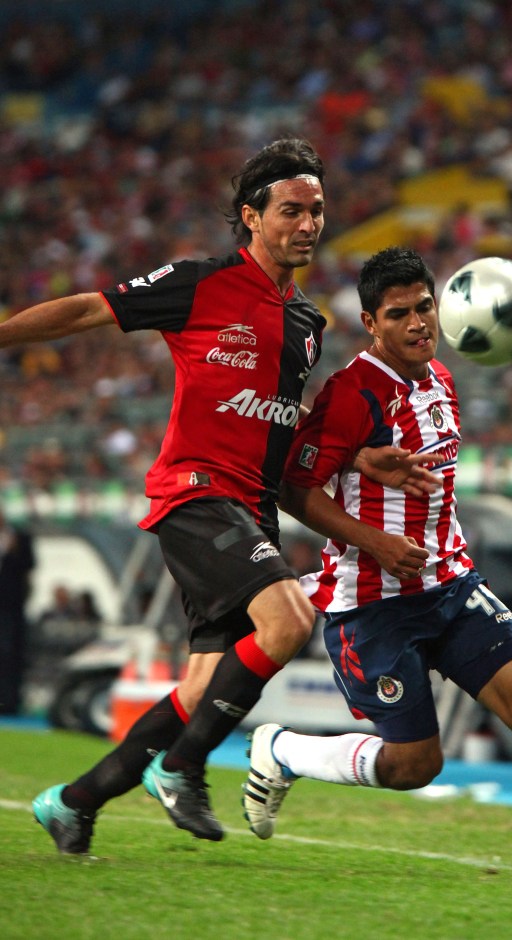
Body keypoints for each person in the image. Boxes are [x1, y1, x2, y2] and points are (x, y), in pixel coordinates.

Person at [6, 137, 435, 855]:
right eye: (292, 210)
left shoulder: (305, 326)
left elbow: (278, 416)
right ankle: (182, 769)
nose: (308, 224)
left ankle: (73, 802)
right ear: (251, 216)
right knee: (290, 618)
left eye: (318, 211)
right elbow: (89, 309)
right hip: (195, 493)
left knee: (204, 689)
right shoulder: (201, 283)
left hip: (251, 506)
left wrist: (361, 456)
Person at [242, 247, 512, 889]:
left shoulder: (440, 377)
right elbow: (295, 491)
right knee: (415, 765)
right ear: (370, 323)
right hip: (372, 601)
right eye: (399, 314)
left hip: (448, 582)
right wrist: (375, 543)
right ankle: (283, 749)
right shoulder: (352, 395)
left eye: (424, 307)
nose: (418, 322)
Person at [0, 509, 35, 715]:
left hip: (11, 608)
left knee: (11, 655)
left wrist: (14, 552)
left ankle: (10, 702)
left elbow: (30, 564)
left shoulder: (20, 538)